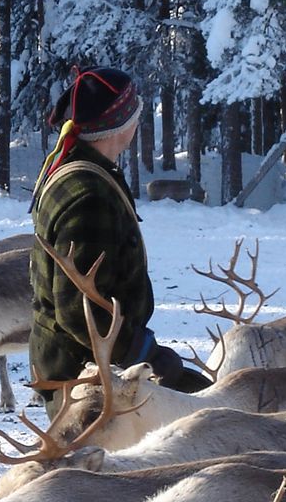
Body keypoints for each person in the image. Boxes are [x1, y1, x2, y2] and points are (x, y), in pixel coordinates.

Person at [28, 67, 209, 403]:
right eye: (135, 112)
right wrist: (145, 354)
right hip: (87, 381)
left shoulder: (82, 171)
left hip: (90, 364)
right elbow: (77, 310)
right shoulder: (89, 197)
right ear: (119, 125)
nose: (138, 119)